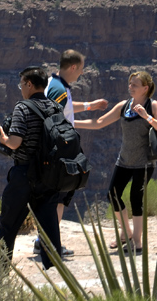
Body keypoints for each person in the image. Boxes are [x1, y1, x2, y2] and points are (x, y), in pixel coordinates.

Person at [76, 71, 157, 254]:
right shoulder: (124, 106)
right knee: (113, 195)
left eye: (134, 85)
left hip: (144, 163)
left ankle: (137, 241)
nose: (130, 87)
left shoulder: (152, 105)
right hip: (124, 160)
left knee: (136, 198)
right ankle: (126, 232)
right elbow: (100, 122)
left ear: (145, 88)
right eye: (130, 84)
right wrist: (72, 123)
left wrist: (147, 117)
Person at [36, 50, 108, 257]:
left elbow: (64, 106)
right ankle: (49, 245)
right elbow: (51, 113)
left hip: (55, 149)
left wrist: (89, 106)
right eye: (81, 69)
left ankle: (42, 240)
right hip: (59, 150)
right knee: (59, 196)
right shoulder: (58, 88)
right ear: (73, 67)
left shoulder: (54, 83)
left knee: (55, 196)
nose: (82, 73)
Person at [0, 66, 66, 269]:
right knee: (49, 228)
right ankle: (55, 272)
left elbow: (15, 142)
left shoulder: (22, 108)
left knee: (8, 225)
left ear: (29, 84)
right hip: (49, 176)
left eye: (21, 84)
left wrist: (3, 138)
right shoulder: (55, 107)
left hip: (24, 174)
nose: (21, 88)